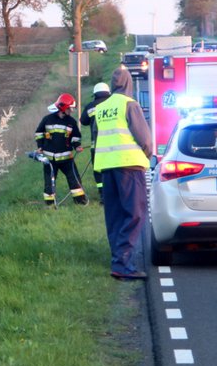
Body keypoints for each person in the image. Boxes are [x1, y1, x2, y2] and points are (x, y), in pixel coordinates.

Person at [95, 67, 153, 280]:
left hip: (107, 168)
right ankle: (122, 263)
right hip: (129, 166)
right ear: (129, 83)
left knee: (115, 215)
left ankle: (117, 258)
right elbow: (145, 139)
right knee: (135, 214)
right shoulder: (129, 104)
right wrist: (146, 156)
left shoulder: (102, 107)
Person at [34, 93, 89, 206]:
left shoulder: (71, 122)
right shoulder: (47, 119)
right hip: (50, 159)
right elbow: (39, 133)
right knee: (49, 182)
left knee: (74, 180)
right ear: (63, 108)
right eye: (70, 108)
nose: (72, 111)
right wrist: (40, 146)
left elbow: (75, 137)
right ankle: (50, 205)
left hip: (66, 159)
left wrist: (77, 145)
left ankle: (81, 202)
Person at [79, 82, 111, 201]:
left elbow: (83, 121)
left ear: (95, 94)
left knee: (98, 169)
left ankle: (103, 194)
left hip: (97, 145)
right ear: (108, 93)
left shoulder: (91, 106)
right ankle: (113, 192)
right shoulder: (112, 104)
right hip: (113, 144)